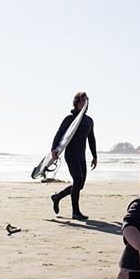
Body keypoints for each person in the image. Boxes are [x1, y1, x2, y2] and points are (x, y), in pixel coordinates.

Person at [50, 91, 97, 220]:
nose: (87, 102)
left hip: (82, 155)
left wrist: (94, 155)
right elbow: (60, 134)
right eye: (84, 100)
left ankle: (57, 196)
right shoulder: (70, 119)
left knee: (80, 185)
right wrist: (53, 149)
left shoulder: (88, 121)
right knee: (77, 179)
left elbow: (91, 138)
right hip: (71, 154)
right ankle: (75, 212)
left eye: (88, 100)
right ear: (77, 102)